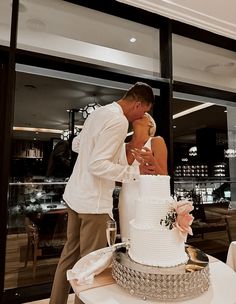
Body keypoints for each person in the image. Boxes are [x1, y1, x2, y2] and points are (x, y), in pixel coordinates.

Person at [49, 82, 155, 304]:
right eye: (144, 111)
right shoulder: (118, 121)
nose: (142, 116)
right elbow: (97, 165)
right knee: (90, 267)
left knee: (69, 258)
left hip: (76, 197)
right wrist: (133, 172)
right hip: (93, 205)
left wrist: (113, 149)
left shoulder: (98, 113)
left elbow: (78, 144)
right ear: (137, 104)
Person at [119, 112, 168, 241]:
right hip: (125, 200)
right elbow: (117, 177)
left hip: (148, 199)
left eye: (144, 114)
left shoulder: (156, 141)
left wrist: (152, 161)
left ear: (150, 124)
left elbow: (164, 175)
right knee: (127, 239)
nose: (140, 113)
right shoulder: (122, 146)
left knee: (147, 241)